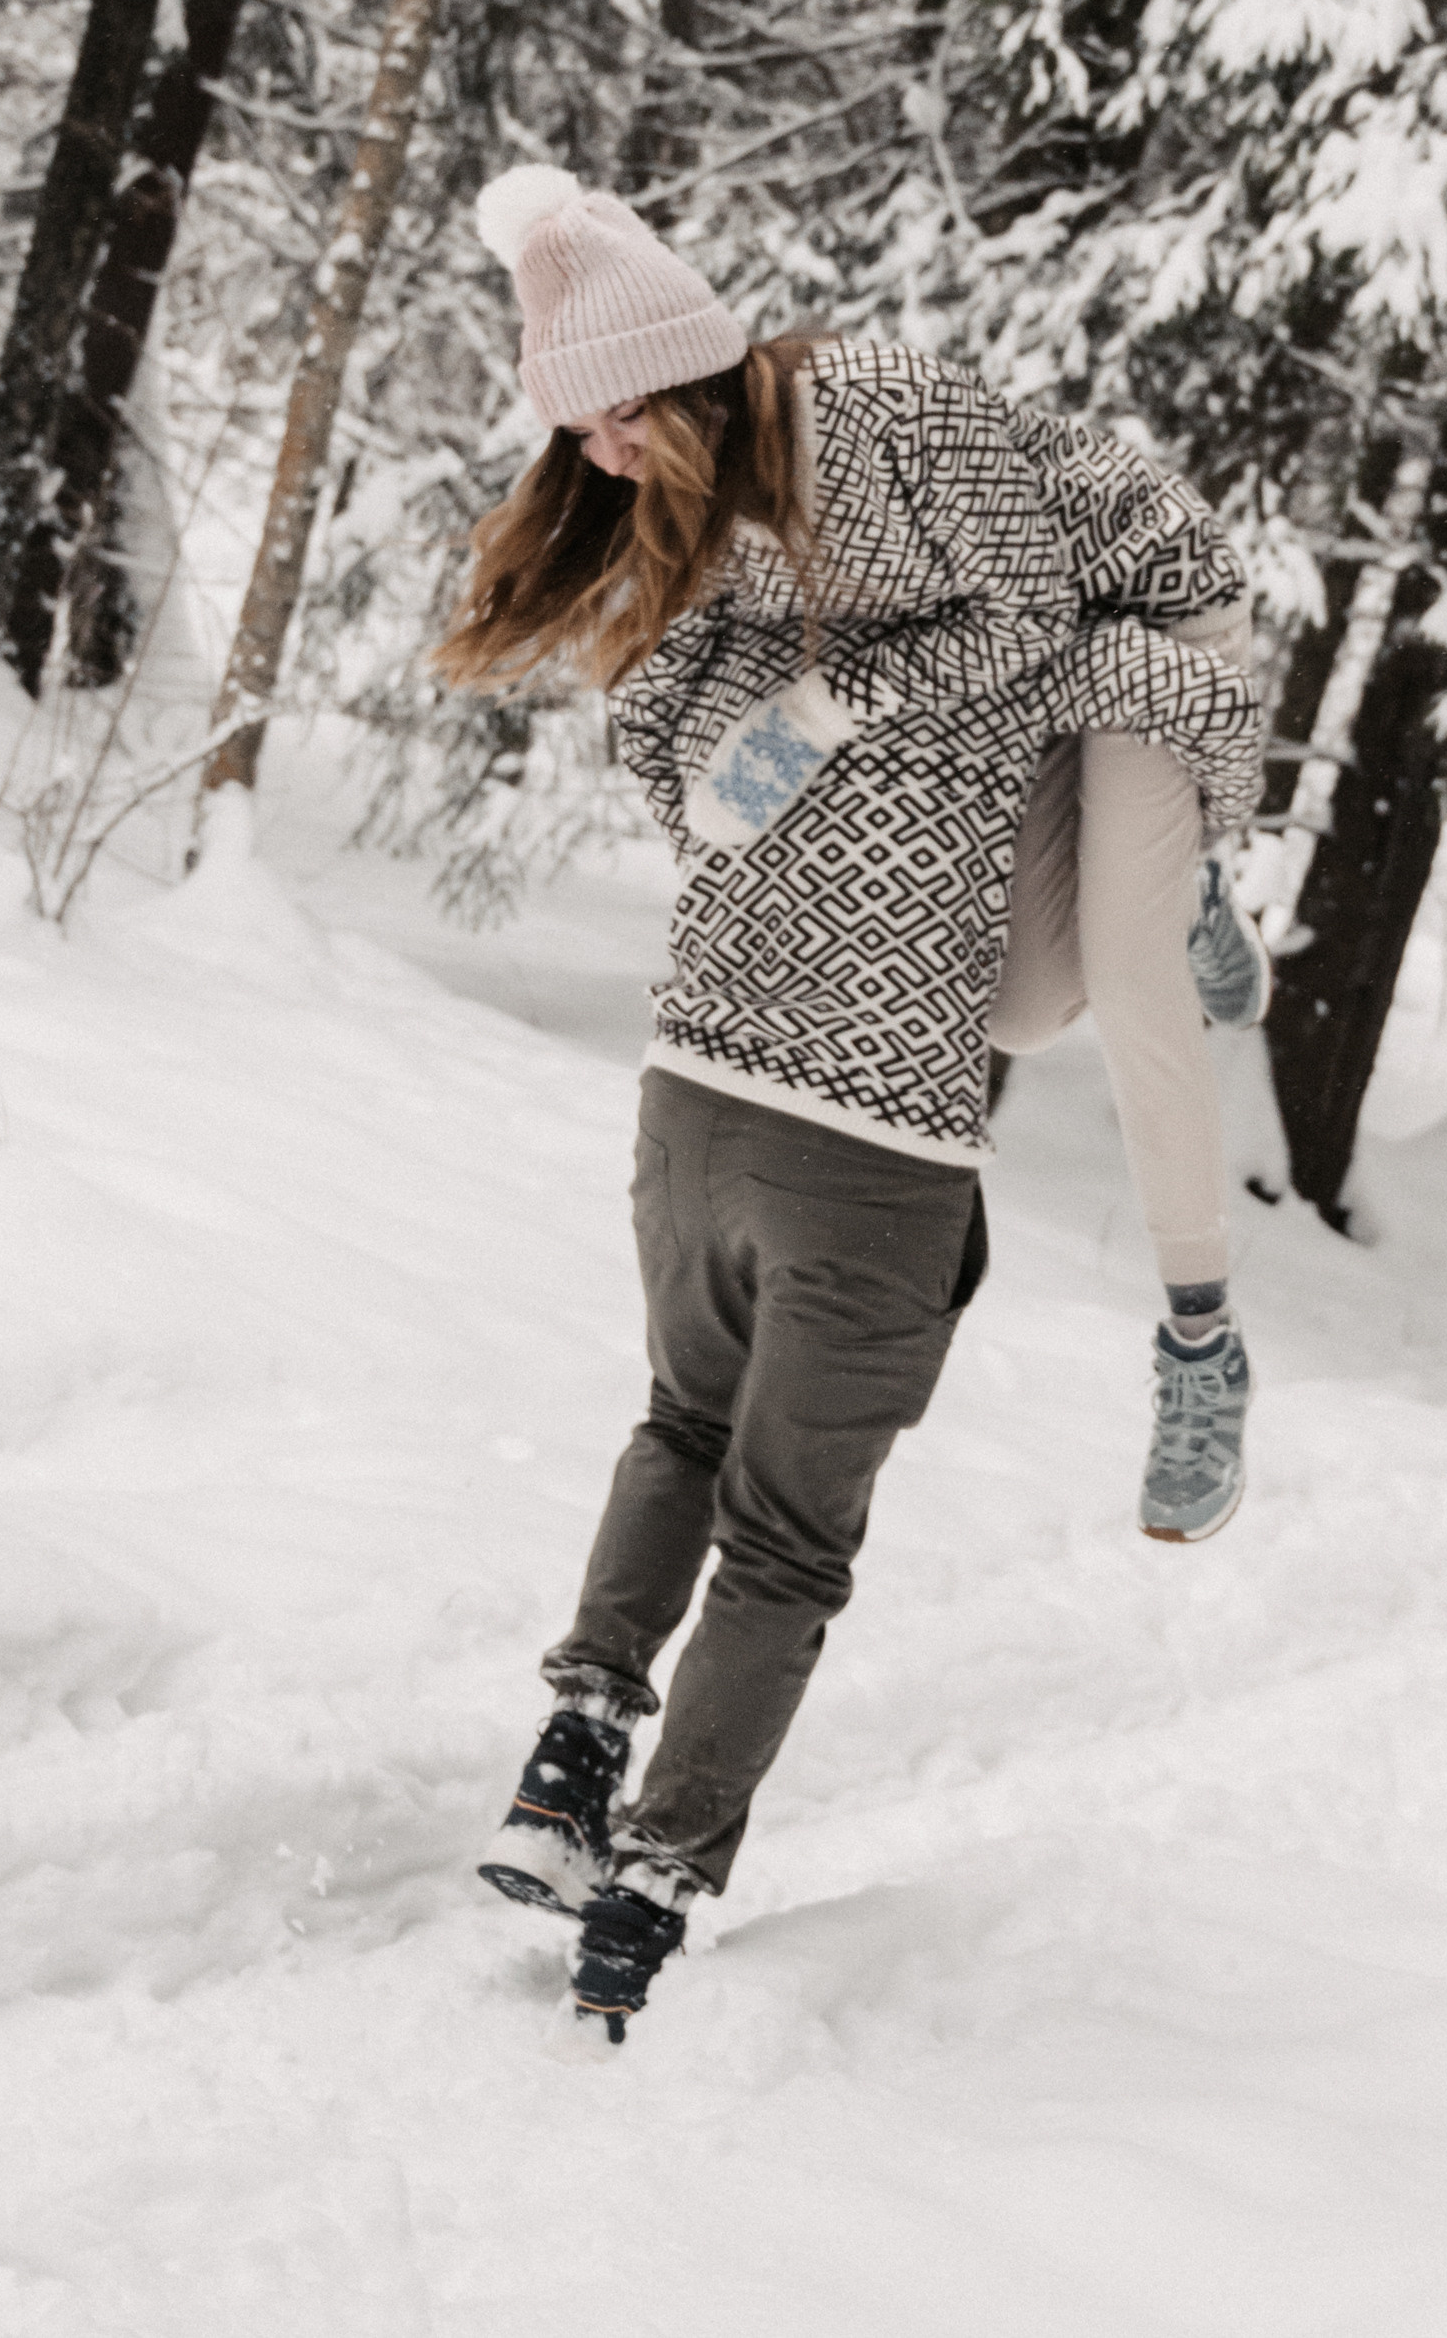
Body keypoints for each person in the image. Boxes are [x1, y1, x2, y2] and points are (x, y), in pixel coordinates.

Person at [437, 168, 1264, 2048]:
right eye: (579, 433)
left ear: (699, 375)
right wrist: (740, 741)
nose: (609, 457)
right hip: (843, 1103)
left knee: (1110, 993)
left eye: (624, 416)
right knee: (790, 1518)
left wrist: (811, 720)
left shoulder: (880, 425)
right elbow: (699, 701)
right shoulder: (720, 520)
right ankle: (623, 1842)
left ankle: (577, 1753)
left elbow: (1042, 624)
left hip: (1102, 667)